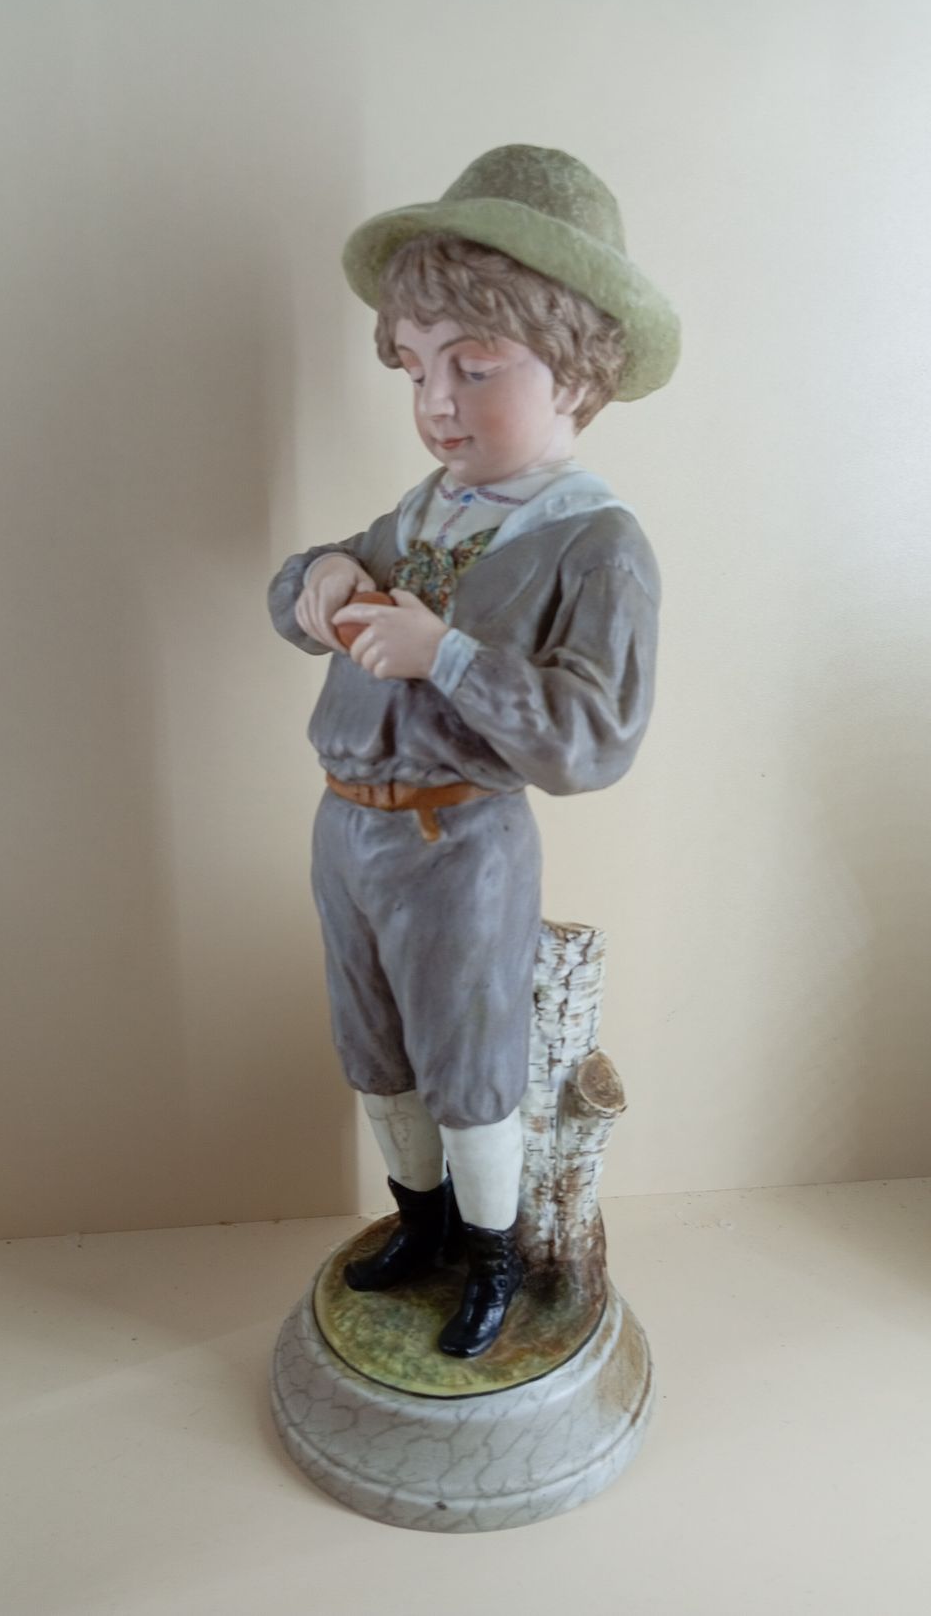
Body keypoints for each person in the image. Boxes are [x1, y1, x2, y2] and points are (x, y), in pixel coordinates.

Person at [268, 144, 679, 1358]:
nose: (437, 402)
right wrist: (319, 575)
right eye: (417, 368)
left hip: (459, 840)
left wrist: (446, 655)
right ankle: (423, 1223)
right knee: (373, 1047)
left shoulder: (594, 544)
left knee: (468, 1061)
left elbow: (592, 737)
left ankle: (493, 1258)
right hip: (349, 824)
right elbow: (303, 590)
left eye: (475, 367)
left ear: (577, 373)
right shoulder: (426, 509)